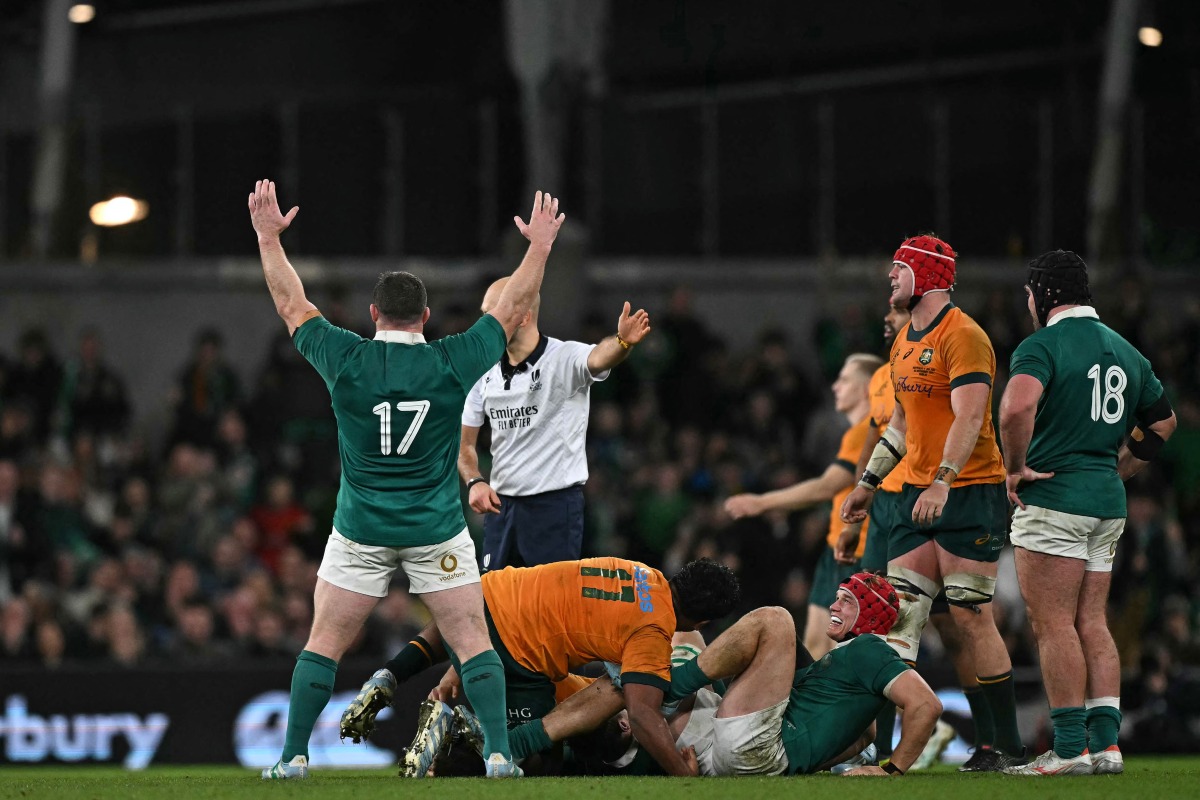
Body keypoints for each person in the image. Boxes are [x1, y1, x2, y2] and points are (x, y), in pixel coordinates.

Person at [248, 179, 566, 780]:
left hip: (360, 529)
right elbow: (511, 308)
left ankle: (292, 757)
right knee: (473, 641)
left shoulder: (346, 358)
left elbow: (293, 305)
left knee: (324, 644)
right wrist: (540, 248)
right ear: (425, 316)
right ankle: (500, 754)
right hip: (436, 530)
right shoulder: (451, 362)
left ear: (373, 315)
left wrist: (268, 239)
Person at [841, 234, 1026, 771]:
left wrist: (943, 481)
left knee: (970, 616)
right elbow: (900, 426)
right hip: (912, 496)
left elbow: (971, 417)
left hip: (968, 494)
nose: (890, 278)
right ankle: (886, 755)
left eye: (899, 269)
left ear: (927, 275)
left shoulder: (965, 336)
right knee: (895, 619)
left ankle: (1003, 746)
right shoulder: (902, 342)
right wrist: (868, 484)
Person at [998, 250, 1176, 776]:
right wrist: (1116, 470)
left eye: (1029, 294)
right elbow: (1162, 425)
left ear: (1043, 295)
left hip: (1055, 501)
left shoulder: (1042, 346)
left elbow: (1015, 407)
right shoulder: (1125, 350)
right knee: (1092, 622)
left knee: (1053, 625)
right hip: (1106, 504)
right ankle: (1106, 747)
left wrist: (1013, 468)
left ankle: (1070, 748)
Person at [341, 556, 740, 777]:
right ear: (702, 622)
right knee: (540, 757)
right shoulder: (655, 630)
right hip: (518, 650)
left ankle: (390, 674)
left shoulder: (643, 573)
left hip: (492, 588)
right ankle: (458, 736)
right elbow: (642, 714)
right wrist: (682, 774)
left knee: (462, 619)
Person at [835, 305, 970, 771]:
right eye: (889, 309)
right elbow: (876, 443)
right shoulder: (886, 375)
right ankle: (881, 747)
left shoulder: (936, 360)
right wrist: (854, 517)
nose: (890, 315)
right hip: (887, 505)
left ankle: (991, 741)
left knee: (957, 628)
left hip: (927, 499)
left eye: (898, 308)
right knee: (874, 627)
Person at [663, 573, 941, 776]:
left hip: (753, 747)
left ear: (869, 616)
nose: (833, 607)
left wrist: (892, 770)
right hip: (741, 755)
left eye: (846, 601)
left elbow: (927, 704)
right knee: (688, 634)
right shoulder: (853, 687)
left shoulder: (870, 649)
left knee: (776, 619)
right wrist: (799, 767)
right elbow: (865, 735)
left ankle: (668, 690)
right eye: (836, 599)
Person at [460, 282, 651, 571]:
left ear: (523, 316)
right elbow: (464, 445)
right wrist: (475, 481)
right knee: (494, 607)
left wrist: (622, 341)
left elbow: (598, 357)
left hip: (553, 507)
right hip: (501, 508)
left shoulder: (564, 358)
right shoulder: (481, 371)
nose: (483, 324)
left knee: (550, 609)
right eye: (484, 314)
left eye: (493, 314)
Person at [725, 353, 882, 659]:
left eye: (845, 380)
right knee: (817, 648)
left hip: (858, 554)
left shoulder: (866, 432)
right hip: (841, 550)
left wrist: (760, 501)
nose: (836, 387)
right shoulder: (858, 433)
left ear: (866, 389)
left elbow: (826, 486)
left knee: (844, 652)